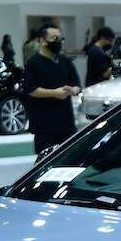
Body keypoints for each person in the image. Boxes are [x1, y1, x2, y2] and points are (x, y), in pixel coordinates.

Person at [23, 23, 81, 154]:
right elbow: (31, 89)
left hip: (66, 123)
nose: (58, 42)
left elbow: (77, 85)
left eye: (60, 39)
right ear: (42, 41)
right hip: (44, 124)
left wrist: (73, 90)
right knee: (45, 160)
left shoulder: (65, 61)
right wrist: (54, 93)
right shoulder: (33, 63)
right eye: (54, 38)